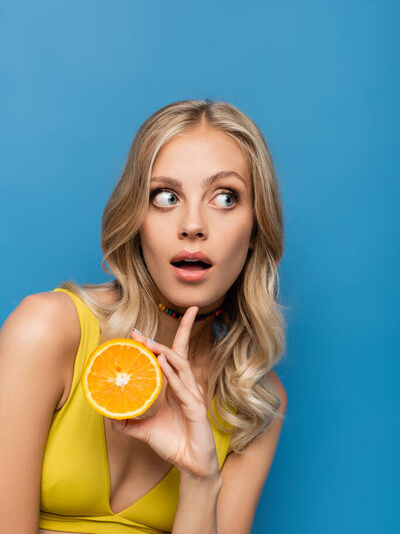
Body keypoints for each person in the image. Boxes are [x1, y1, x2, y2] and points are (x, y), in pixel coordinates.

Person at [0, 99, 288, 534]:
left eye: (225, 198)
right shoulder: (46, 331)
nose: (193, 225)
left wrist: (199, 479)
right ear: (136, 218)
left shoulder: (253, 400)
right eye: (166, 197)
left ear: (255, 229)